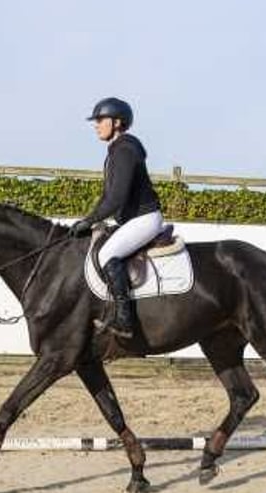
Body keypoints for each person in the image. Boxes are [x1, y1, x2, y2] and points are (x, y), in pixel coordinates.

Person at [69, 97, 164, 339]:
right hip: (134, 220)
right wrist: (88, 219)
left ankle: (124, 321)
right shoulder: (116, 150)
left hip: (145, 219)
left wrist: (89, 222)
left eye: (100, 120)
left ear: (117, 122)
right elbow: (106, 198)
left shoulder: (125, 150)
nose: (96, 124)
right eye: (96, 121)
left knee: (107, 255)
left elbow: (116, 198)